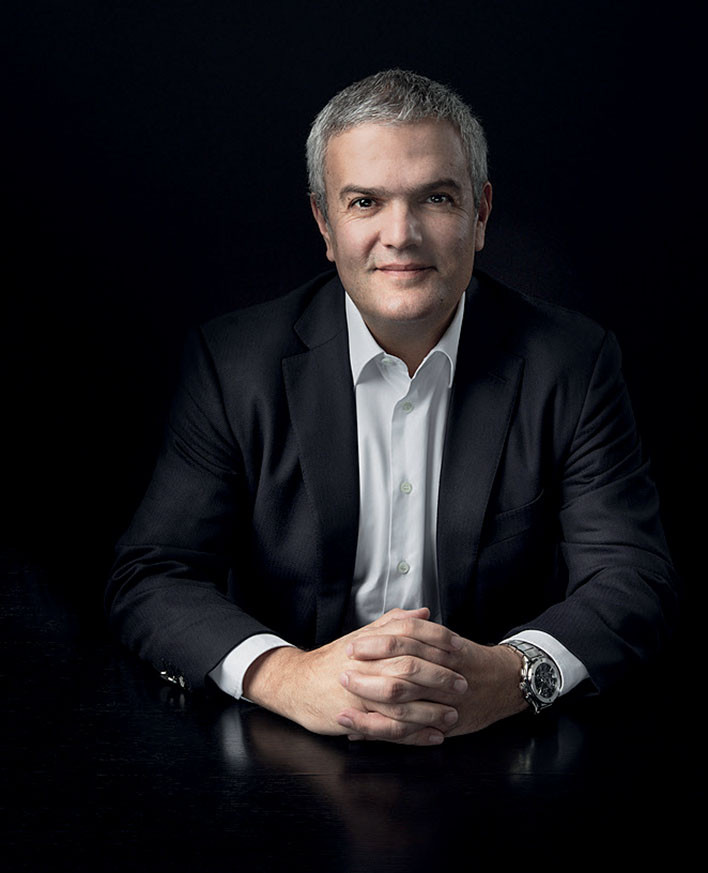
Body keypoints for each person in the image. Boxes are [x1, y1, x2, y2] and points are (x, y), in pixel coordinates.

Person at [106, 69, 678, 746]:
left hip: (503, 748)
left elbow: (631, 574)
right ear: (325, 223)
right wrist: (285, 676)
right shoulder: (233, 364)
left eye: (436, 197)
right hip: (285, 752)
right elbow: (154, 573)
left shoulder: (573, 363)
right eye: (365, 202)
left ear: (480, 214)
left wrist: (515, 674)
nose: (400, 234)